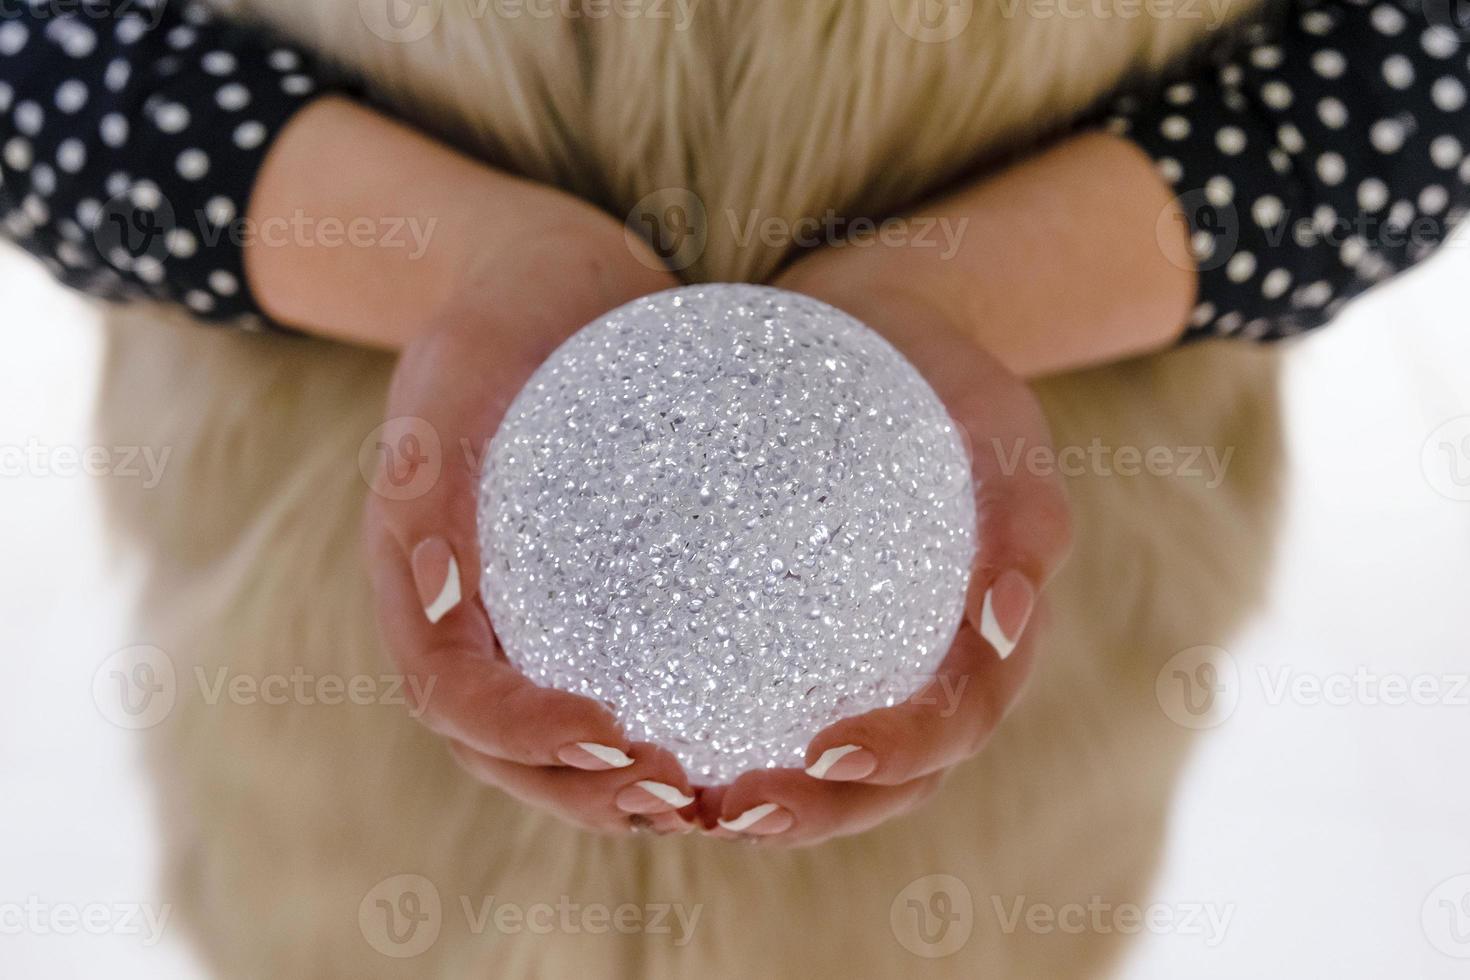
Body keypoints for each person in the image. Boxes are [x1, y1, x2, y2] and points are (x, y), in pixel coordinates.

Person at [1, 0, 1463, 843]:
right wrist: (451, 256)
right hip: (320, 716)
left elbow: (1423, 63)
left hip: (1021, 753)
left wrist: (970, 287)